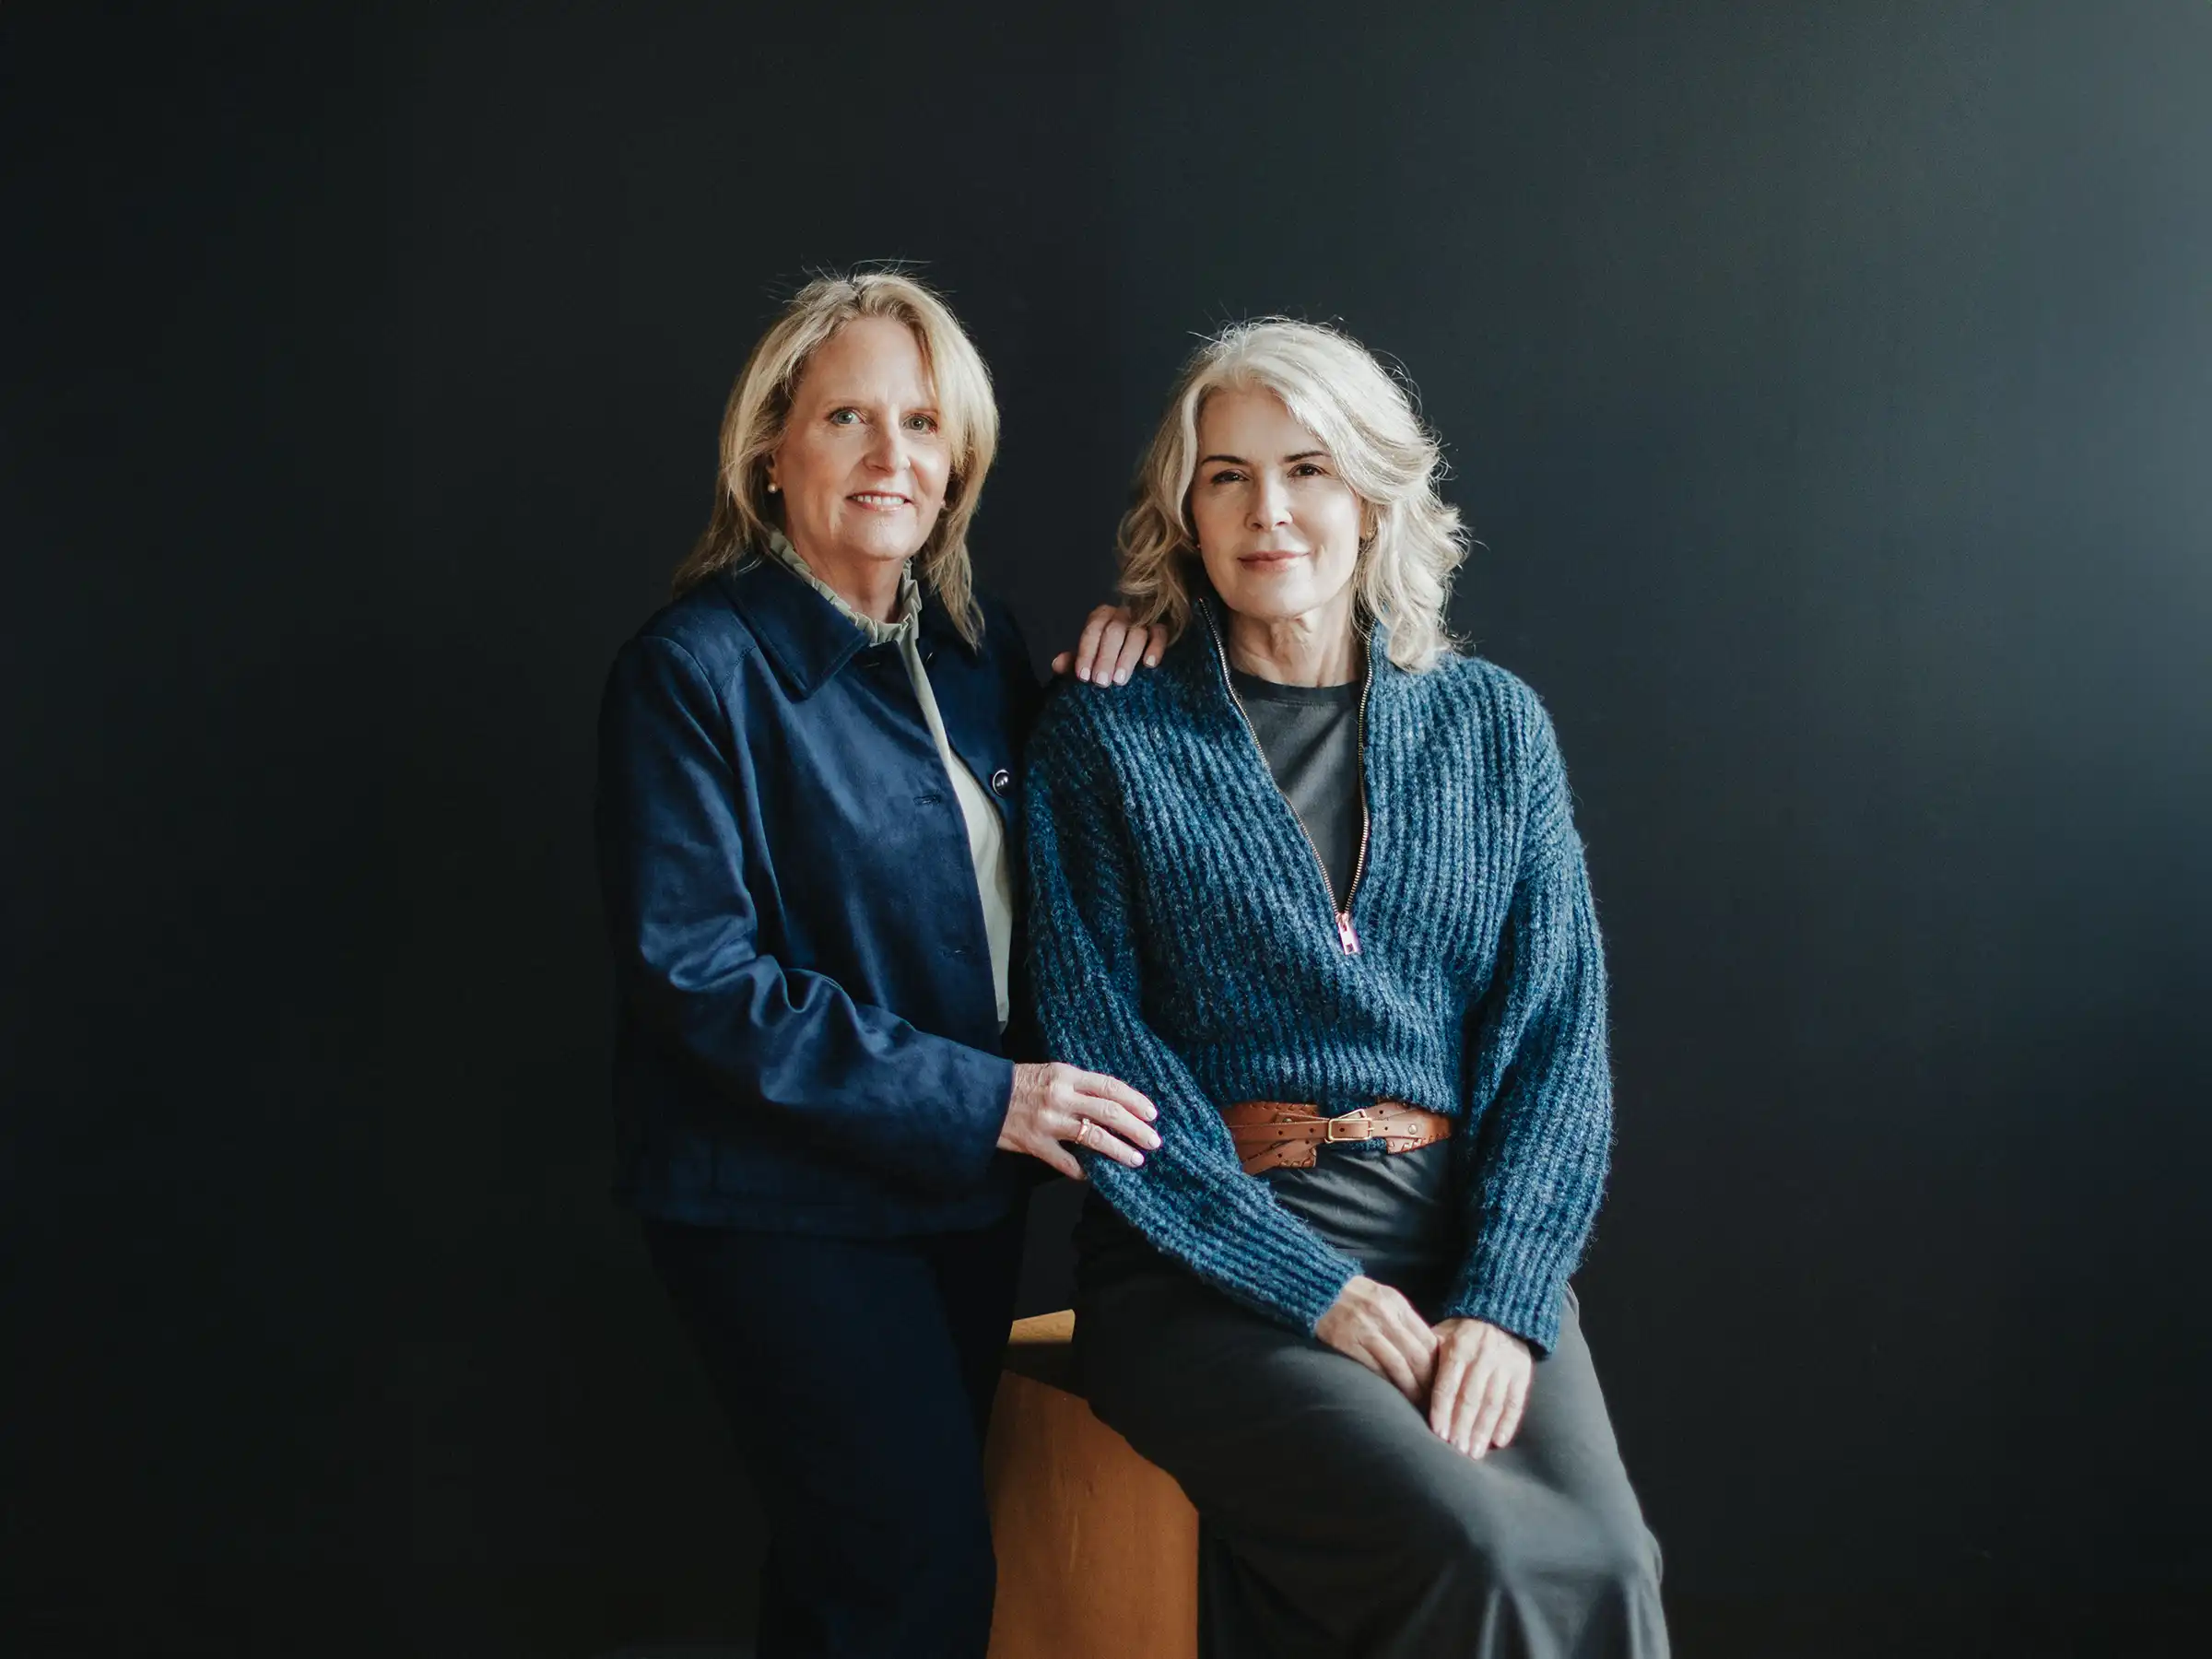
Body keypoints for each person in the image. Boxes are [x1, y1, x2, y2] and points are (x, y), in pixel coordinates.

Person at [1024, 319, 1669, 1656]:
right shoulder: (1106, 734)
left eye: (1308, 467)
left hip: (1453, 1241)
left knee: (1609, 1561)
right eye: (1227, 476)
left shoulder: (1494, 727)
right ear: (1184, 510)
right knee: (1474, 1552)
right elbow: (1108, 1065)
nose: (1269, 512)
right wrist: (1311, 1284)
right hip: (1204, 1265)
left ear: (1373, 495)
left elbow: (1556, 1043)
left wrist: (1505, 1294)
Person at [594, 269, 1163, 1659]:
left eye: (921, 421)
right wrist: (990, 1100)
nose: (889, 454)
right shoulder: (693, 673)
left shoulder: (980, 649)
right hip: (783, 1212)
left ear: (958, 457)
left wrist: (1123, 664)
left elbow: (1067, 870)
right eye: (848, 416)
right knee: (910, 1592)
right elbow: (700, 983)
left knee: (847, 1589)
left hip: (958, 1203)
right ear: (771, 450)